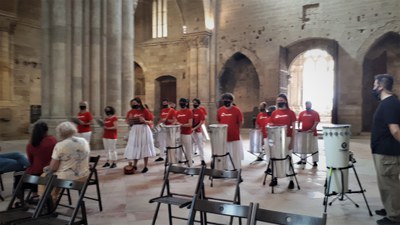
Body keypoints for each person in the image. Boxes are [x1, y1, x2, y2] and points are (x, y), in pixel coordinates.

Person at [370, 74, 400, 225]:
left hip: (387, 152)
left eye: (375, 85)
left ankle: (394, 216)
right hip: (381, 151)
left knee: (390, 183)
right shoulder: (387, 102)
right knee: (385, 183)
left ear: (381, 86)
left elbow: (395, 130)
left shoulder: (390, 103)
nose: (373, 88)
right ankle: (390, 208)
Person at [41, 121, 90, 202]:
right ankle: (53, 199)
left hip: (69, 179)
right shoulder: (84, 141)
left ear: (60, 133)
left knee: (44, 177)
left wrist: (47, 168)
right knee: (56, 175)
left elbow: (53, 167)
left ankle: (44, 202)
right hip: (84, 176)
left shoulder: (60, 145)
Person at [269, 93, 297, 189]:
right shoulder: (274, 113)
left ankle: (291, 180)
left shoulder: (291, 113)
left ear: (285, 101)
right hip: (276, 140)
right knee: (275, 158)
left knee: (288, 158)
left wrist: (292, 141)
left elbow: (293, 128)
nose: (280, 102)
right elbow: (271, 126)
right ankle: (274, 178)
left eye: (281, 101)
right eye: (278, 101)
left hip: (287, 138)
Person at [25, 121, 57, 200]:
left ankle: (32, 195)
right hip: (51, 170)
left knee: (22, 172)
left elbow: (30, 161)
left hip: (37, 173)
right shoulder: (53, 140)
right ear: (46, 130)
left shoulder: (31, 144)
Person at [125, 97, 156, 173]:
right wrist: (129, 121)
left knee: (144, 147)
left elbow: (151, 122)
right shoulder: (130, 112)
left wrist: (145, 121)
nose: (133, 105)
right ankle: (135, 164)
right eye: (132, 104)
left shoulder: (145, 111)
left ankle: (145, 166)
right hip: (135, 130)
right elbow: (127, 122)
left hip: (143, 130)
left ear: (139, 103)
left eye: (135, 103)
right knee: (135, 147)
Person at [217, 93, 244, 170]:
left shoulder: (237, 110)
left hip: (234, 136)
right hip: (224, 136)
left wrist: (236, 130)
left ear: (232, 100)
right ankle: (226, 168)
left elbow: (240, 122)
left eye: (228, 99)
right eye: (224, 99)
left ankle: (236, 168)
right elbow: (219, 121)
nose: (226, 101)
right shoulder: (220, 110)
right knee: (225, 153)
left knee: (235, 154)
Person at [297, 101, 320, 167]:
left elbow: (316, 122)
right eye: (306, 105)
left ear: (311, 105)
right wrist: (298, 128)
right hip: (304, 134)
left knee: (314, 147)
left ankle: (315, 161)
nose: (307, 106)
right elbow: (299, 121)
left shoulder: (315, 113)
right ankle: (303, 160)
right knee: (303, 147)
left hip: (312, 134)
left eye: (309, 105)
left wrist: (311, 129)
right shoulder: (302, 113)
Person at [175, 98, 194, 167]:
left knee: (188, 150)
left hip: (187, 133)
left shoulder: (189, 112)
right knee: (178, 150)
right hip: (179, 133)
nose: (181, 103)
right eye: (180, 102)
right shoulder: (177, 112)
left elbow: (190, 124)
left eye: (183, 102)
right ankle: (179, 166)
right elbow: (175, 122)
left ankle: (190, 165)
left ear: (186, 103)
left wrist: (181, 124)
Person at [192, 98, 206, 166]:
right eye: (193, 103)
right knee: (191, 145)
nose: (194, 104)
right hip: (192, 130)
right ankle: (190, 159)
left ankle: (202, 159)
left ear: (198, 103)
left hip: (198, 130)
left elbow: (201, 122)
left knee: (200, 145)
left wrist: (195, 128)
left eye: (196, 103)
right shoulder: (191, 111)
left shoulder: (200, 111)